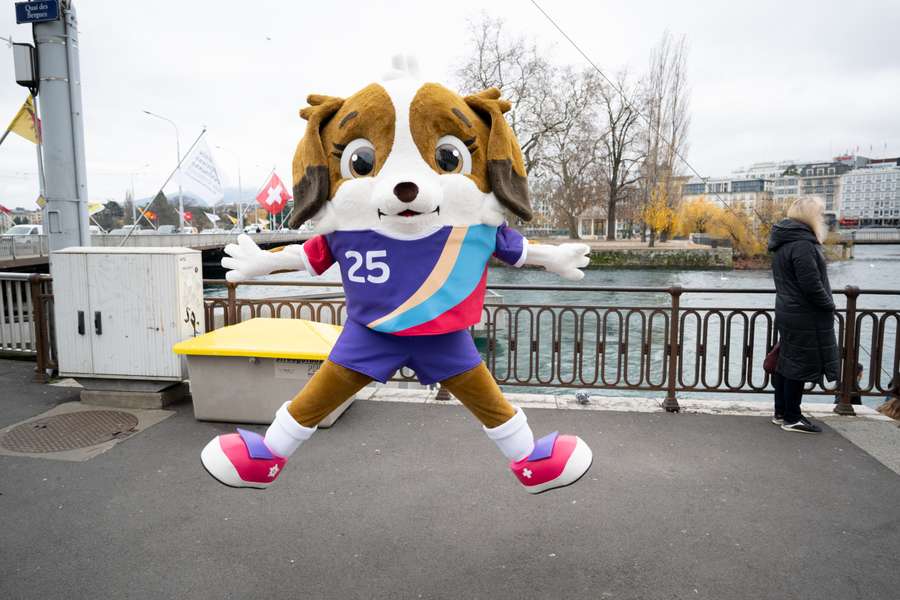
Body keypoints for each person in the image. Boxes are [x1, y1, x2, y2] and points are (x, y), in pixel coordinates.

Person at [768, 196, 839, 433]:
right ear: (810, 215)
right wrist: (828, 304)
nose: (822, 217)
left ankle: (781, 412)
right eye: (819, 213)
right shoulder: (803, 244)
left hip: (788, 309)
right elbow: (810, 283)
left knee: (787, 362)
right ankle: (792, 417)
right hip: (804, 314)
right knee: (797, 365)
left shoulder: (785, 241)